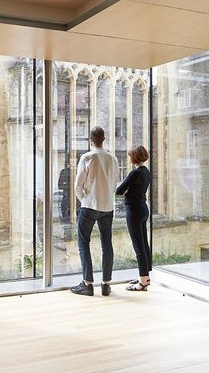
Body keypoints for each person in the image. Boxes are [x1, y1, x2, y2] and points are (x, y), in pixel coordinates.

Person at [70, 126, 120, 297]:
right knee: (107, 243)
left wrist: (84, 199)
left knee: (84, 243)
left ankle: (87, 284)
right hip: (108, 207)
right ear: (103, 139)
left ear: (90, 139)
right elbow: (114, 183)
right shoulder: (113, 159)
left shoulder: (87, 157)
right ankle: (106, 284)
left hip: (90, 205)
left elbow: (77, 185)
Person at [116, 145, 152, 291]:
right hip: (143, 209)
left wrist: (127, 191)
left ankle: (143, 282)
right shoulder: (146, 172)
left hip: (134, 211)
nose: (129, 158)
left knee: (138, 246)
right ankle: (146, 277)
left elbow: (119, 191)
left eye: (130, 156)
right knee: (144, 243)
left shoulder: (134, 173)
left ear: (135, 157)